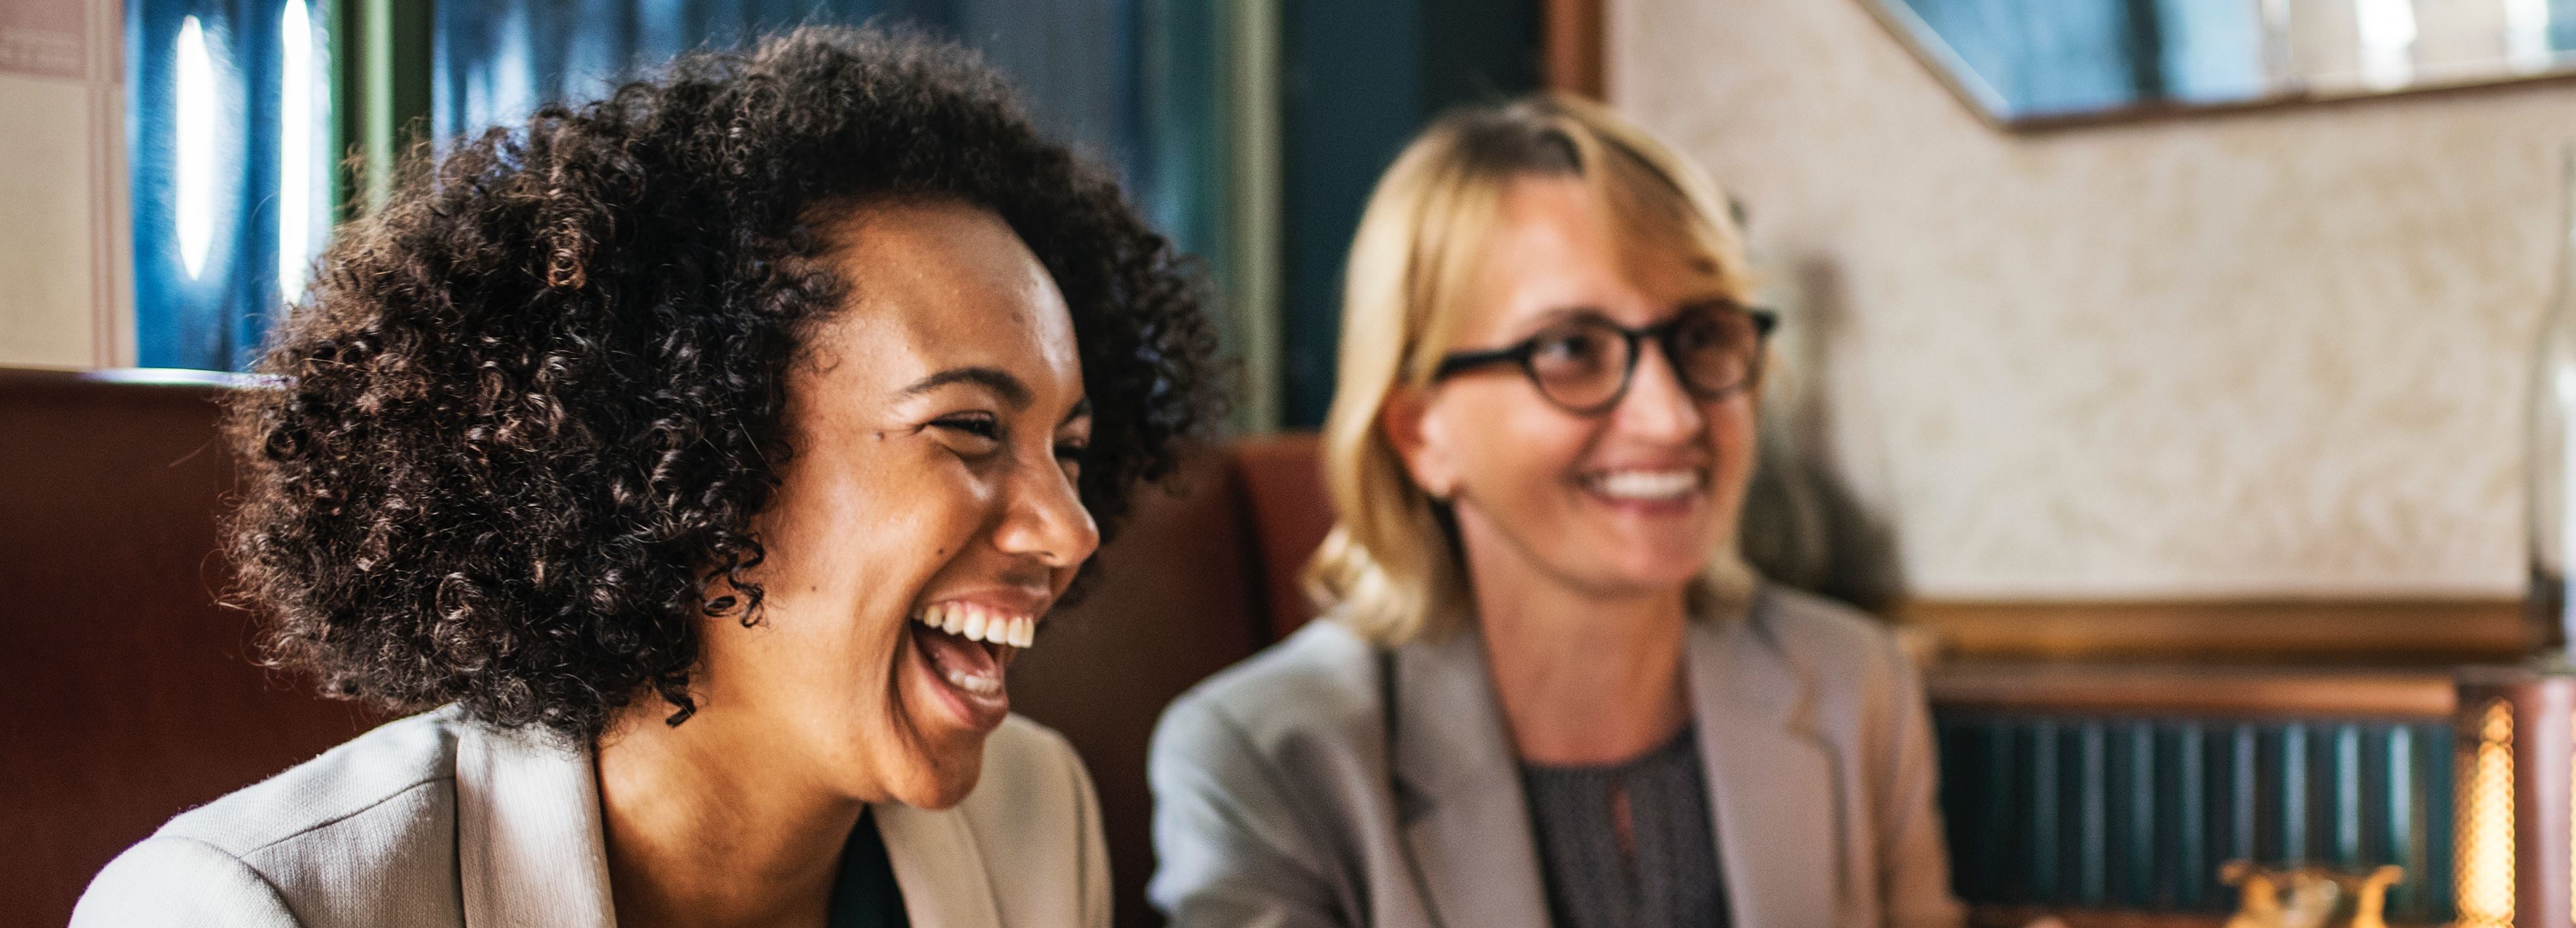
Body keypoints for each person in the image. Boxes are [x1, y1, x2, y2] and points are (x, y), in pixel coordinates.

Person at [74, 26, 1219, 928]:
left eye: (1070, 450)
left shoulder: (1036, 816)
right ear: (690, 454)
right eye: (969, 428)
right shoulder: (250, 910)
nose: (1070, 533)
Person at [1146, 95, 1962, 928]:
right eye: (1571, 348)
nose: (1672, 416)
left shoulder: (1854, 685)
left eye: (1704, 335)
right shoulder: (1262, 760)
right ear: (1421, 432)